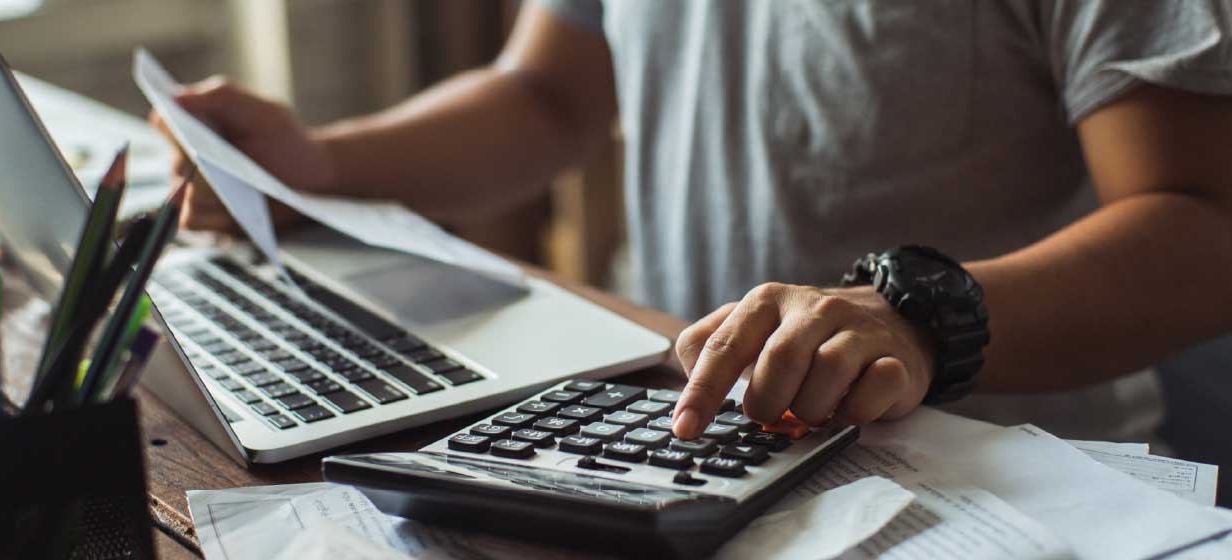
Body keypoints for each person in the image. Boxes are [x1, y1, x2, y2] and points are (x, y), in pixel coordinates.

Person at [157, 1, 1232, 447]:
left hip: (989, 478)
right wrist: (321, 167)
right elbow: (549, 95)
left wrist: (916, 317)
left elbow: (1200, 222)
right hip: (694, 441)